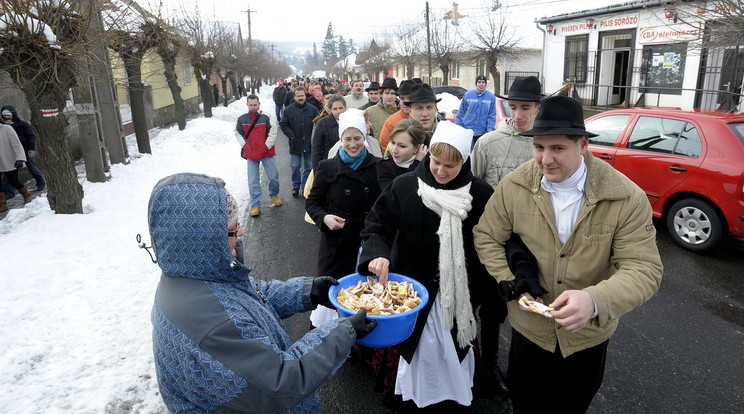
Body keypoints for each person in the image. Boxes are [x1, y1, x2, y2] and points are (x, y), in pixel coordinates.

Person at [473, 96, 663, 413]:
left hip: (586, 340)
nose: (545, 159)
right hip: (529, 333)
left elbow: (643, 269)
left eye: (558, 148)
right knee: (524, 404)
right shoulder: (513, 186)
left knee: (572, 406)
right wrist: (512, 280)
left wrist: (595, 301)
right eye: (539, 147)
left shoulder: (625, 196)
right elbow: (487, 236)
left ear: (583, 144)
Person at [147, 172, 377, 413]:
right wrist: (344, 331)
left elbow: (250, 295)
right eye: (234, 229)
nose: (243, 232)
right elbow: (282, 382)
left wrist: (308, 291)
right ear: (205, 242)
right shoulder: (211, 324)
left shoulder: (190, 275)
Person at [357, 121, 502, 410]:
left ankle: (449, 395)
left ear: (465, 161)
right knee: (415, 352)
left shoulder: (482, 194)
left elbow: (496, 239)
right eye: (436, 162)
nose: (441, 171)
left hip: (457, 294)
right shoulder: (406, 186)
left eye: (451, 164)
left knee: (450, 351)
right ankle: (408, 395)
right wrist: (378, 253)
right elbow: (377, 224)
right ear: (428, 155)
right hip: (411, 290)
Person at [305, 109, 381, 326]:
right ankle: (325, 340)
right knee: (331, 293)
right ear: (340, 139)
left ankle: (361, 339)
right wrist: (325, 218)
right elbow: (312, 202)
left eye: (357, 138)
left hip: (366, 243)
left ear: (364, 138)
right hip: (336, 244)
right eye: (347, 139)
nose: (353, 144)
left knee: (364, 295)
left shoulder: (378, 166)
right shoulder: (327, 167)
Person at [470, 76, 543, 189]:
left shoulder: (548, 145)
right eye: (513, 108)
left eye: (525, 108)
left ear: (537, 108)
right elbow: (470, 186)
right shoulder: (487, 143)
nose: (517, 116)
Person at [234, 94, 282, 218]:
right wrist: (245, 145)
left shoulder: (266, 116)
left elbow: (273, 132)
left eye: (255, 105)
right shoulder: (241, 118)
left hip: (266, 152)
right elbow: (237, 132)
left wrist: (266, 146)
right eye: (251, 105)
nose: (253, 107)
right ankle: (255, 205)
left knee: (274, 176)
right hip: (251, 154)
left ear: (259, 104)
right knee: (253, 180)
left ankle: (274, 194)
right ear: (247, 104)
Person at [280, 87, 319, 197]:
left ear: (305, 96)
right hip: (295, 143)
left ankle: (305, 187)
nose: (301, 98)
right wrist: (291, 135)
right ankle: (295, 185)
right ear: (294, 97)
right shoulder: (288, 110)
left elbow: (318, 124)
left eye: (302, 96)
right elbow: (283, 124)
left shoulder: (313, 109)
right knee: (295, 166)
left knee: (309, 166)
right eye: (298, 96)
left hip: (309, 143)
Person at [2, 106, 45, 196]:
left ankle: (40, 183)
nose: (6, 117)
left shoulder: (22, 124)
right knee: (9, 173)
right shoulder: (4, 127)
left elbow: (31, 136)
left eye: (8, 115)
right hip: (12, 153)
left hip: (25, 150)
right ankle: (9, 192)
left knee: (32, 167)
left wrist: (31, 148)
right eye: (4, 115)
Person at [376, 118, 427, 191]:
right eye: (392, 143)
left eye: (402, 146)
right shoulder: (384, 165)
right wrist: (416, 164)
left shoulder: (430, 164)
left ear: (417, 148)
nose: (394, 150)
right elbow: (395, 194)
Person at [455, 75, 497, 149]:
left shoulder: (491, 97)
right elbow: (461, 112)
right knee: (467, 153)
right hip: (467, 130)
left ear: (486, 84)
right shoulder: (468, 95)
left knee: (479, 155)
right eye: (479, 82)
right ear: (476, 83)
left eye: (483, 82)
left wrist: (489, 130)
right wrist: (459, 127)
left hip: (482, 132)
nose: (481, 84)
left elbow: (492, 116)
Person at [378, 79, 414, 153]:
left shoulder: (423, 119)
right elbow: (384, 147)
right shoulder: (391, 121)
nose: (405, 102)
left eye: (409, 98)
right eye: (402, 98)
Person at [0, 121, 29, 212]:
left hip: (9, 159)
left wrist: (20, 158)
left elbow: (16, 144)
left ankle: (26, 195)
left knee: (13, 181)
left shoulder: (6, 128)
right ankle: (2, 204)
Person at [311, 94, 346, 171]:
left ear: (345, 108)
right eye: (335, 109)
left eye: (341, 108)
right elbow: (316, 149)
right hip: (329, 164)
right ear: (330, 110)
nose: (339, 111)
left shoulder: (351, 121)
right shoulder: (322, 123)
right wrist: (317, 172)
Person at [364, 78, 398, 143]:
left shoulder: (402, 112)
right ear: (381, 94)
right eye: (387, 93)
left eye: (393, 93)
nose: (389, 96)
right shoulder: (370, 112)